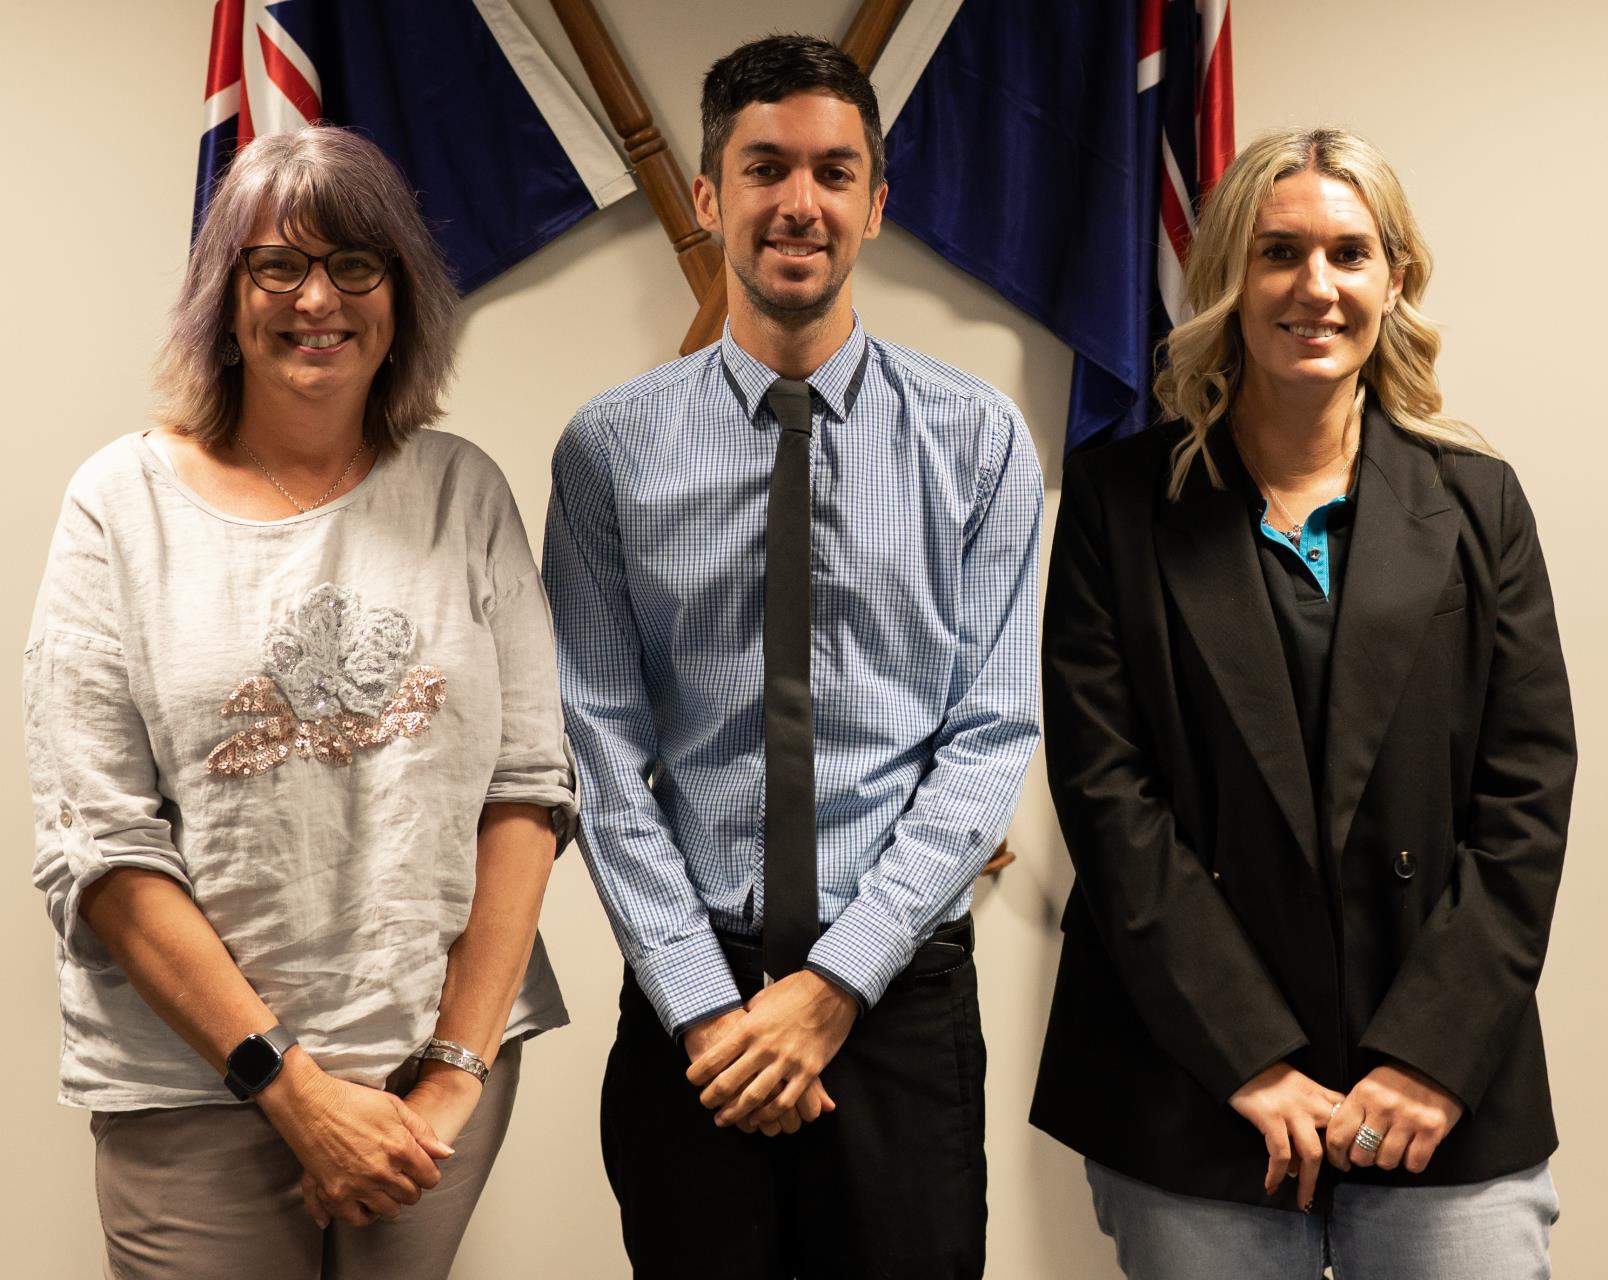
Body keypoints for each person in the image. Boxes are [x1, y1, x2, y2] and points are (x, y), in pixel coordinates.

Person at [24, 125, 578, 1279]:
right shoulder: (118, 506)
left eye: (355, 265)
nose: (316, 298)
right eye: (276, 265)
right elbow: (102, 845)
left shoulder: (465, 493)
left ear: (401, 298)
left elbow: (527, 791)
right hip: (196, 1086)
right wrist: (292, 1088)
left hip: (437, 1084)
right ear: (224, 299)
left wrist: (453, 1072)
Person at [1030, 126, 1573, 1278]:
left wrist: (1429, 1055)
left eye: (1348, 253)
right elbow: (1111, 802)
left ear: (1394, 278)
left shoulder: (1480, 506)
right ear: (1228, 276)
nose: (1314, 286)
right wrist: (1249, 1055)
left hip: (1440, 1091)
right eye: (1278, 252)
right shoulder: (1117, 506)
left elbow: (1526, 796)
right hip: (1193, 1083)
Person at [542, 34, 1041, 1279]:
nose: (798, 202)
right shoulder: (608, 452)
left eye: (833, 170)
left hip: (898, 1001)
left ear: (876, 202)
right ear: (709, 196)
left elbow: (992, 736)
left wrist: (832, 986)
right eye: (764, 168)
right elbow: (596, 746)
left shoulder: (979, 441)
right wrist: (705, 1004)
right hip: (691, 1009)